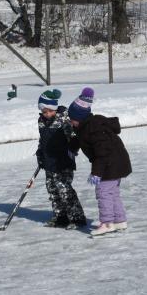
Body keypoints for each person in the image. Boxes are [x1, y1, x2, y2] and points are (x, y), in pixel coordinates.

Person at [68, 87, 132, 236]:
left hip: (110, 163)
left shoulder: (94, 129)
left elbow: (102, 154)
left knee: (103, 192)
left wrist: (96, 173)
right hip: (116, 162)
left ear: (80, 117)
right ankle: (119, 220)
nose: (71, 122)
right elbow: (79, 138)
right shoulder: (85, 126)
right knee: (112, 192)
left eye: (72, 119)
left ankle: (107, 223)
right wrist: (72, 148)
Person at [36, 89, 87, 230]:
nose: (47, 114)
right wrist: (40, 153)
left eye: (50, 111)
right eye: (44, 112)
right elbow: (43, 140)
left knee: (64, 189)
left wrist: (72, 150)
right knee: (52, 190)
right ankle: (61, 217)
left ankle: (77, 218)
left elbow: (73, 138)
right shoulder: (41, 121)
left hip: (63, 161)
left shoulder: (64, 119)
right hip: (49, 161)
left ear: (55, 108)